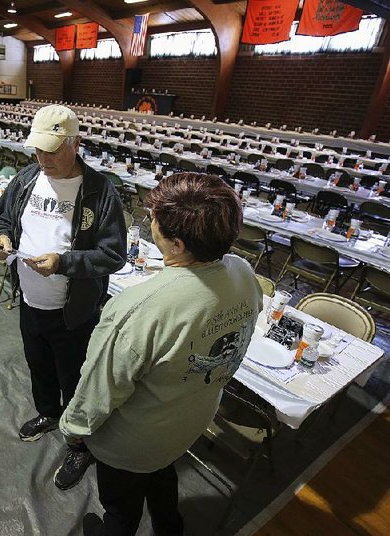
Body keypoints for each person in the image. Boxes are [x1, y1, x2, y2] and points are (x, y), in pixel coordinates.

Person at [60, 173, 263, 535]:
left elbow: (99, 389)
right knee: (161, 472)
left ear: (177, 244)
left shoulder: (139, 308)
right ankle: (169, 526)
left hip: (133, 441)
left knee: (121, 510)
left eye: (153, 219)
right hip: (189, 420)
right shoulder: (243, 272)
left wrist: (74, 431)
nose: (149, 222)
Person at [0, 104, 126, 491]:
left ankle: (80, 444)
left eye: (52, 150)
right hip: (31, 302)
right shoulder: (27, 178)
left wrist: (64, 263)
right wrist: (2, 239)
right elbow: (3, 219)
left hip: (74, 312)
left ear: (75, 143)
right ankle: (48, 413)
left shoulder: (100, 191)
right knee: (40, 366)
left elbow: (113, 255)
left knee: (77, 379)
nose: (43, 158)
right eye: (38, 150)